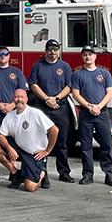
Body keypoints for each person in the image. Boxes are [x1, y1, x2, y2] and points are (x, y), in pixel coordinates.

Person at [0, 88, 58, 191]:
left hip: (35, 154)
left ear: (26, 99)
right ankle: (15, 173)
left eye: (22, 97)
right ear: (13, 99)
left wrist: (47, 151)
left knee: (29, 187)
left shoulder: (35, 113)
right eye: (16, 97)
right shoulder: (10, 116)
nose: (19, 99)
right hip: (20, 149)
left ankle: (42, 173)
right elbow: (0, 135)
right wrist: (9, 148)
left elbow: (54, 130)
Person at [28, 38, 75, 186]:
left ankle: (64, 172)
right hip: (42, 107)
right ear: (45, 51)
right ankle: (43, 174)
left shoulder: (65, 66)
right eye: (49, 49)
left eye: (55, 49)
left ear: (59, 52)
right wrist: (47, 99)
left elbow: (69, 86)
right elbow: (33, 85)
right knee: (41, 142)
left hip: (60, 107)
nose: (52, 52)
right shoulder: (38, 66)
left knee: (62, 141)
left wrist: (56, 98)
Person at [70, 44, 112, 186]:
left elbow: (110, 93)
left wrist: (99, 107)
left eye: (90, 54)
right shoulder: (77, 74)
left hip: (102, 113)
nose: (87, 57)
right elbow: (76, 94)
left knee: (106, 145)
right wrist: (89, 106)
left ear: (95, 56)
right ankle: (87, 175)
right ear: (82, 57)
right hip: (86, 114)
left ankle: (109, 175)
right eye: (85, 55)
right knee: (86, 146)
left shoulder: (105, 73)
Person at [0, 46, 28, 182]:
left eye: (5, 53)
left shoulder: (17, 72)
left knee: (13, 141)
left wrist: (12, 105)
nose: (2, 56)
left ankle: (13, 170)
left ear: (9, 55)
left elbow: (22, 92)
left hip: (15, 112)